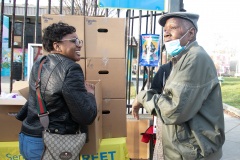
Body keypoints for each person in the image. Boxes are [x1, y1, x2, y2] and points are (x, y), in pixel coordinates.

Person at [132, 12, 225, 160]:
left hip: (194, 153)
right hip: (185, 150)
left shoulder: (195, 58)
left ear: (191, 33)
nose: (166, 33)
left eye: (173, 27)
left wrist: (142, 97)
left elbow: (174, 109)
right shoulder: (181, 59)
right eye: (165, 31)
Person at [16, 22, 97, 160]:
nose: (79, 45)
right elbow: (86, 115)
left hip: (28, 138)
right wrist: (90, 94)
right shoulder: (71, 68)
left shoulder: (40, 62)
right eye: (74, 41)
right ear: (57, 46)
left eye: (79, 41)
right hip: (50, 143)